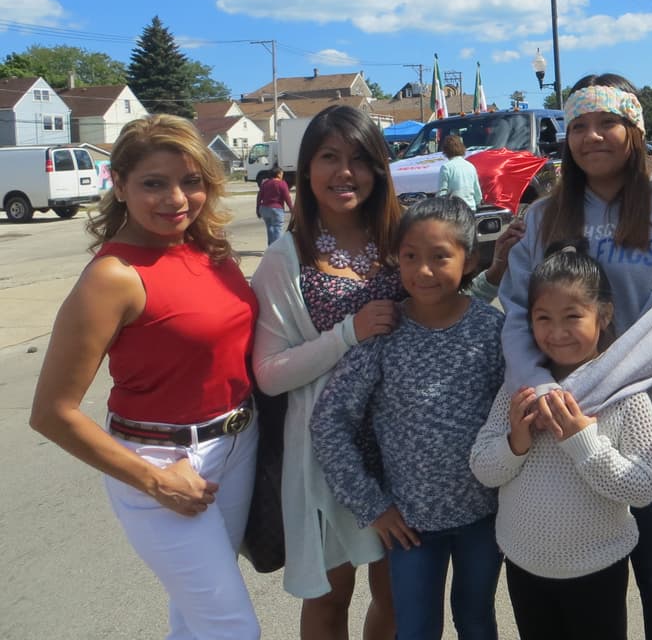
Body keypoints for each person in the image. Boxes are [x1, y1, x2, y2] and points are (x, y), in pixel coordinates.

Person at [30, 115, 260, 639]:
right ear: (121, 185)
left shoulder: (208, 248)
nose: (175, 199)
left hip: (237, 444)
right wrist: (154, 479)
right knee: (232, 629)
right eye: (153, 183)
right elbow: (51, 412)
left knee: (195, 617)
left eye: (191, 181)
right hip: (158, 461)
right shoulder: (113, 276)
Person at [498, 72, 652, 640]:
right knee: (583, 577)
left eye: (608, 122)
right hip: (556, 421)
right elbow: (517, 313)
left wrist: (576, 394)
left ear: (635, 130)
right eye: (579, 126)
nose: (593, 136)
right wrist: (540, 388)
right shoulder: (544, 218)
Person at [311, 197, 505, 640]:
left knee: (477, 622)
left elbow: (512, 417)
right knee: (416, 629)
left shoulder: (490, 331)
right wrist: (372, 505)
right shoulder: (384, 333)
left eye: (440, 257)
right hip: (410, 527)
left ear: (470, 259)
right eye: (410, 257)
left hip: (484, 519)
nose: (424, 271)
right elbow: (329, 423)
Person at [251, 104, 401, 639]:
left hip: (401, 450)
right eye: (329, 158)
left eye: (359, 159)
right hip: (327, 454)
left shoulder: (402, 240)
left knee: (397, 594)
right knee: (332, 594)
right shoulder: (285, 257)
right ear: (305, 170)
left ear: (379, 168)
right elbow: (268, 374)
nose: (345, 172)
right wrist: (346, 333)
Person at [472, 242, 652, 640]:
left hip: (598, 569)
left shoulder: (626, 395)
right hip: (524, 566)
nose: (557, 333)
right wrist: (515, 442)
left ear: (604, 314)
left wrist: (584, 442)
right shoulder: (520, 389)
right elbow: (483, 468)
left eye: (572, 316)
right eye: (543, 318)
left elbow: (644, 487)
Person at [437, 134, 483, 210]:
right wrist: (477, 203)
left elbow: (442, 192)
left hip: (454, 210)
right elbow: (477, 191)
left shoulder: (446, 167)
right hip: (470, 209)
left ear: (445, 150)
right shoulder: (470, 166)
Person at [256, 166, 294, 247]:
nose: (282, 175)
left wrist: (258, 209)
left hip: (264, 209)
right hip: (276, 209)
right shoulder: (282, 183)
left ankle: (271, 246)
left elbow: (259, 196)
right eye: (281, 173)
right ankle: (277, 248)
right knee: (277, 229)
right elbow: (287, 197)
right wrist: (292, 209)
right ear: (278, 174)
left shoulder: (265, 183)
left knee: (270, 228)